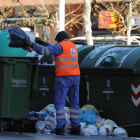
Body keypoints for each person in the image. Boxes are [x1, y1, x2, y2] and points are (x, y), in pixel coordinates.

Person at [24, 31, 81, 135]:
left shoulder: (60, 46)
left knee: (59, 103)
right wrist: (43, 42)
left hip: (64, 77)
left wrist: (32, 44)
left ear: (59, 40)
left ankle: (60, 127)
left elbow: (45, 51)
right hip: (75, 77)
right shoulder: (72, 46)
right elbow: (54, 48)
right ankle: (76, 126)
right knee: (74, 103)